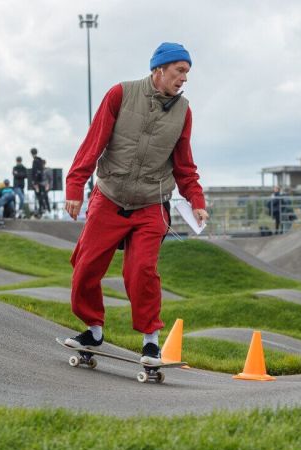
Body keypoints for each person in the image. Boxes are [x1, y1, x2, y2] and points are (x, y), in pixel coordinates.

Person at [62, 42, 208, 366]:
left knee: (141, 271)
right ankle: (93, 329)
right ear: (159, 69)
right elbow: (93, 143)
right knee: (85, 266)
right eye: (179, 71)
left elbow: (184, 165)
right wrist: (75, 185)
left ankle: (151, 342)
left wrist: (196, 200)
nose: (184, 78)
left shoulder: (183, 112)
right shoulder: (121, 94)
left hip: (151, 204)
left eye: (187, 72)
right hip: (109, 197)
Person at [30, 147, 45, 216]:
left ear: (31, 153)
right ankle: (41, 208)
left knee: (38, 195)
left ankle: (40, 209)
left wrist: (35, 182)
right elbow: (41, 171)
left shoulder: (35, 161)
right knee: (40, 195)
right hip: (41, 180)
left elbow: (35, 172)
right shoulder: (40, 160)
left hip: (37, 181)